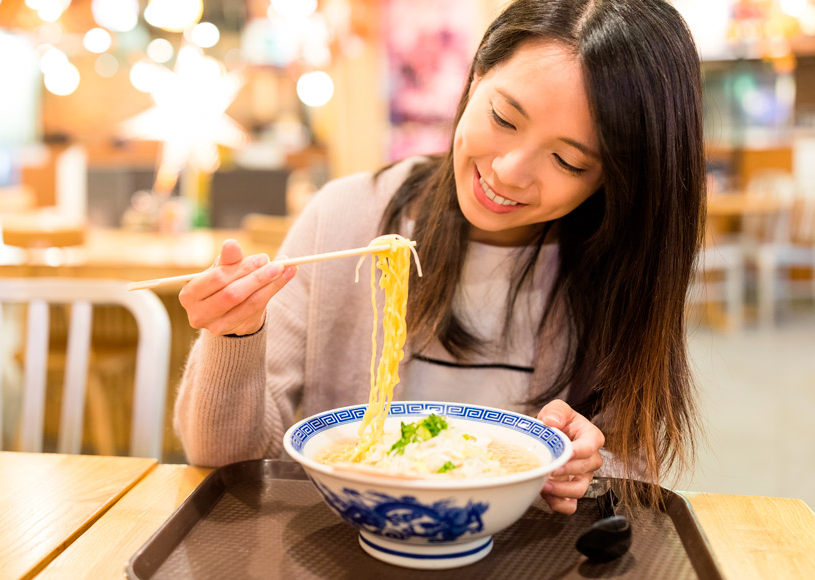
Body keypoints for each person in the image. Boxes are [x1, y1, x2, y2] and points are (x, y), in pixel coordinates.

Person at [174, 0, 704, 514]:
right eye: (503, 117)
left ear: (618, 178)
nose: (509, 171)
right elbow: (228, 463)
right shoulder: (348, 216)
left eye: (567, 160)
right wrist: (234, 336)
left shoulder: (621, 266)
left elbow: (629, 481)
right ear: (474, 79)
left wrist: (588, 465)